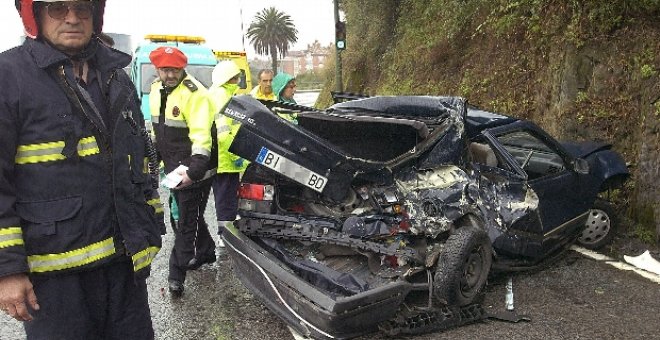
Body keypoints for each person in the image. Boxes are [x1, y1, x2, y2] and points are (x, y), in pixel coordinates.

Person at [0, 1, 164, 339]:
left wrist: (148, 226)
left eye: (82, 8)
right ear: (36, 16)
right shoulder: (8, 76)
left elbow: (138, 161)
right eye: (58, 8)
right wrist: (8, 270)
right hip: (56, 280)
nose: (73, 18)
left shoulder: (116, 77)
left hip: (122, 269)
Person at [148, 46, 217, 297]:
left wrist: (193, 170)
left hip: (197, 167)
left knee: (185, 221)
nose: (170, 75)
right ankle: (207, 251)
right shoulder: (157, 89)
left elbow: (201, 139)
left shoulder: (195, 93)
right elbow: (160, 132)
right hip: (174, 168)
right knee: (193, 215)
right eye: (165, 70)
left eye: (175, 70)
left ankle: (176, 275)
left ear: (182, 69)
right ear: (158, 69)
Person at [208, 61, 249, 247]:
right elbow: (224, 133)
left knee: (228, 195)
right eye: (236, 77)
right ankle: (224, 235)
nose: (239, 80)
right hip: (225, 157)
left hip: (223, 156)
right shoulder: (222, 96)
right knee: (225, 197)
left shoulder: (219, 93)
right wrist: (236, 155)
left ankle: (229, 228)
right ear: (229, 78)